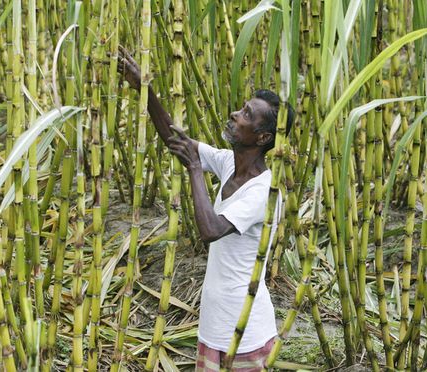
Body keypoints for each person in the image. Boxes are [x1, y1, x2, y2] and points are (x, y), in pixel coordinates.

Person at [116, 48, 294, 371]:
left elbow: (210, 230)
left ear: (263, 136)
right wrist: (145, 89)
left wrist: (195, 169)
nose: (235, 115)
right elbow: (176, 139)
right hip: (214, 328)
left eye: (246, 115)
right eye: (241, 108)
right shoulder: (229, 163)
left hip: (246, 336)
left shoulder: (264, 193)